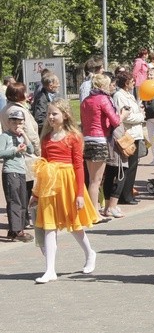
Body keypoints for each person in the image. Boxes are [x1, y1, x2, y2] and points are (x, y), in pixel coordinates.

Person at [30, 99, 99, 284]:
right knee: (49, 227)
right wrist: (36, 193)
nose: (50, 117)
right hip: (50, 186)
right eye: (49, 114)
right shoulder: (45, 138)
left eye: (54, 114)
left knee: (75, 225)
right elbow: (42, 166)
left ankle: (89, 253)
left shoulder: (73, 137)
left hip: (68, 183)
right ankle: (50, 269)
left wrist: (79, 194)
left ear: (65, 115)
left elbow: (78, 166)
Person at [80, 74, 123, 221]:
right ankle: (94, 214)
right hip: (100, 140)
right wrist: (123, 114)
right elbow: (115, 121)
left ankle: (93, 211)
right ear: (104, 85)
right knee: (96, 181)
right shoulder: (103, 99)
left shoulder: (86, 100)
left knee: (92, 180)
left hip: (87, 139)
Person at [108, 71, 146, 209]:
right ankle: (125, 195)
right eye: (132, 81)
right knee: (127, 167)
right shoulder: (119, 96)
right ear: (126, 82)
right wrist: (141, 117)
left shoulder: (129, 94)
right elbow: (126, 116)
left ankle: (128, 192)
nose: (134, 83)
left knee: (133, 165)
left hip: (135, 133)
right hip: (128, 134)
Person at [1, 108, 35, 242]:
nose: (17, 125)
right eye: (14, 122)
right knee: (14, 201)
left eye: (20, 123)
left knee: (22, 200)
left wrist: (25, 136)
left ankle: (15, 229)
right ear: (9, 123)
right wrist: (15, 150)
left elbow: (31, 150)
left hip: (21, 171)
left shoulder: (21, 136)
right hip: (11, 171)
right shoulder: (5, 136)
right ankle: (17, 231)